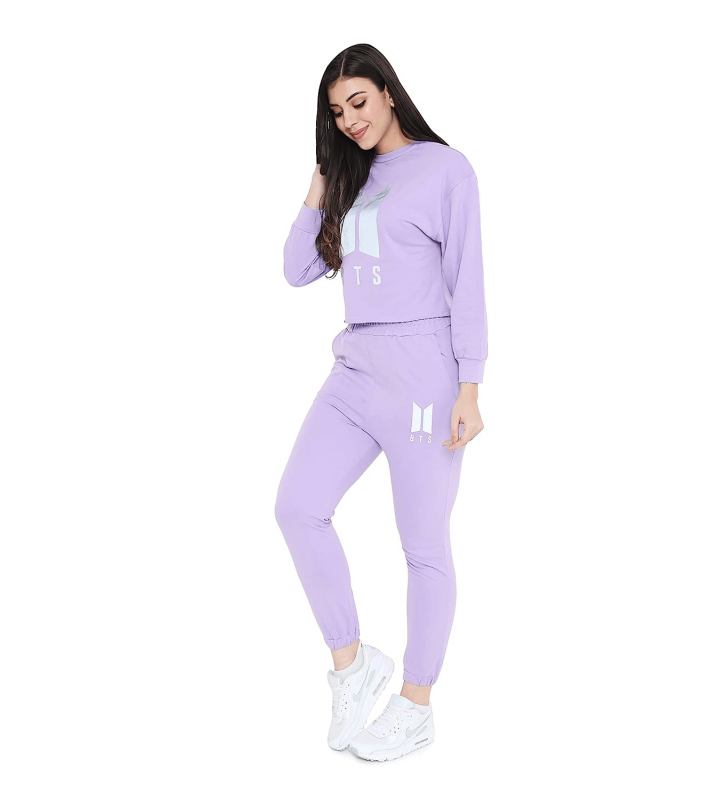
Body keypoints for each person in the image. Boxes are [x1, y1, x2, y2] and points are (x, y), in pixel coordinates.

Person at [274, 43, 488, 762]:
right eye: (337, 113)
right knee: (297, 507)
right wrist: (320, 180)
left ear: (389, 93)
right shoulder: (352, 179)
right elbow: (297, 268)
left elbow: (467, 280)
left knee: (423, 546)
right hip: (355, 368)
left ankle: (416, 705)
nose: (351, 120)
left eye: (359, 102)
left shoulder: (445, 170)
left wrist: (470, 386)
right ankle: (352, 662)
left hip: (425, 373)